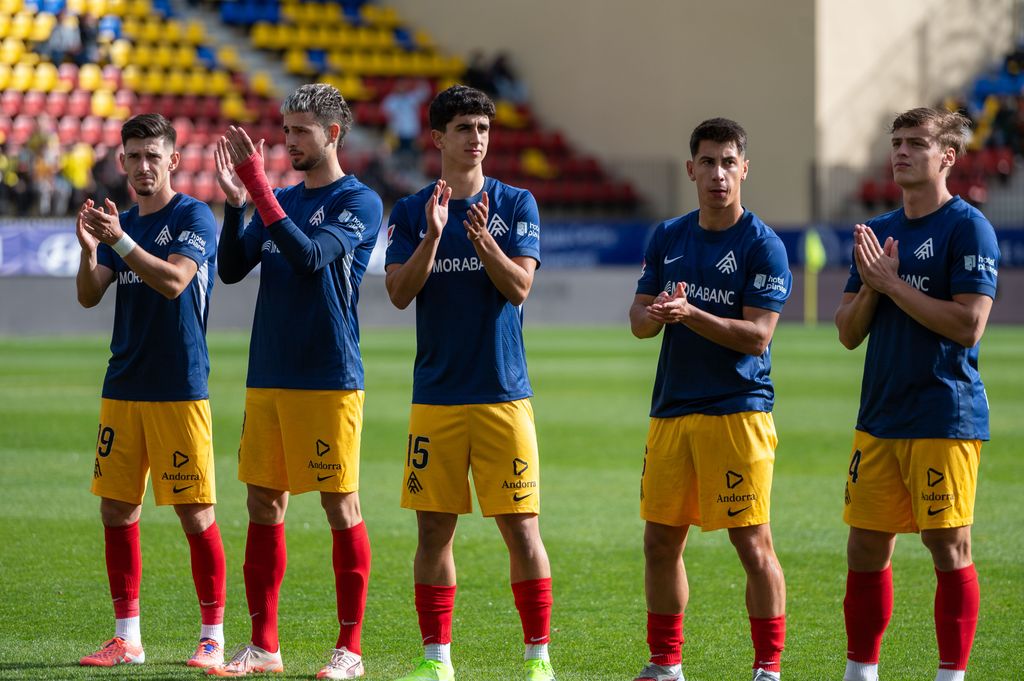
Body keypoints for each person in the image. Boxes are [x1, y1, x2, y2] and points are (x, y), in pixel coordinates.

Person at [209, 83, 383, 679]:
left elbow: (311, 258)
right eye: (285, 131)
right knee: (263, 500)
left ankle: (350, 651)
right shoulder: (278, 195)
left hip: (327, 374)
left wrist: (259, 190)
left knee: (340, 504)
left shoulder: (359, 202)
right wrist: (238, 204)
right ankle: (264, 646)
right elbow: (232, 269)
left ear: (333, 133)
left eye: (300, 131)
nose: (288, 142)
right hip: (270, 372)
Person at [384, 85, 555, 681]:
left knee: (521, 527)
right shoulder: (409, 213)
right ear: (438, 138)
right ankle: (436, 661)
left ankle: (537, 658)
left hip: (503, 393)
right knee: (433, 529)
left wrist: (483, 242)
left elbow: (520, 289)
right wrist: (434, 235)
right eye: (464, 128)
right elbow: (400, 294)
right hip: (436, 396)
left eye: (483, 127)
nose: (476, 138)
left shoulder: (517, 203)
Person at [835, 108, 999, 681]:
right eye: (896, 142)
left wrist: (890, 284)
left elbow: (967, 325)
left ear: (946, 157)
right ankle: (861, 672)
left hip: (943, 414)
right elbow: (848, 332)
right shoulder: (878, 232)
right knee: (864, 547)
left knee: (947, 546)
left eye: (915, 144)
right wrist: (873, 289)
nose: (900, 152)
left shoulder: (968, 227)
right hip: (879, 414)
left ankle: (950, 675)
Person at [629, 118, 791, 681]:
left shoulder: (762, 245)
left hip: (737, 410)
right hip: (672, 409)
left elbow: (758, 335)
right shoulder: (668, 236)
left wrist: (690, 312)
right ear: (690, 168)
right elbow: (639, 322)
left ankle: (768, 669)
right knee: (658, 542)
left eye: (729, 162)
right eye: (708, 162)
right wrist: (655, 314)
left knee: (752, 543)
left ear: (744, 169)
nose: (718, 174)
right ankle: (665, 664)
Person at [75, 113, 226, 669]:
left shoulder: (194, 215)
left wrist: (120, 238)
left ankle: (212, 636)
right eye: (133, 157)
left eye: (152, 156)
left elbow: (174, 281)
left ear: (173, 161)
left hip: (179, 387)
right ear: (122, 162)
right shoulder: (125, 220)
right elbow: (90, 296)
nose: (142, 166)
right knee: (116, 510)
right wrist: (92, 249)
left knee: (195, 514)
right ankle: (127, 637)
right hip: (124, 385)